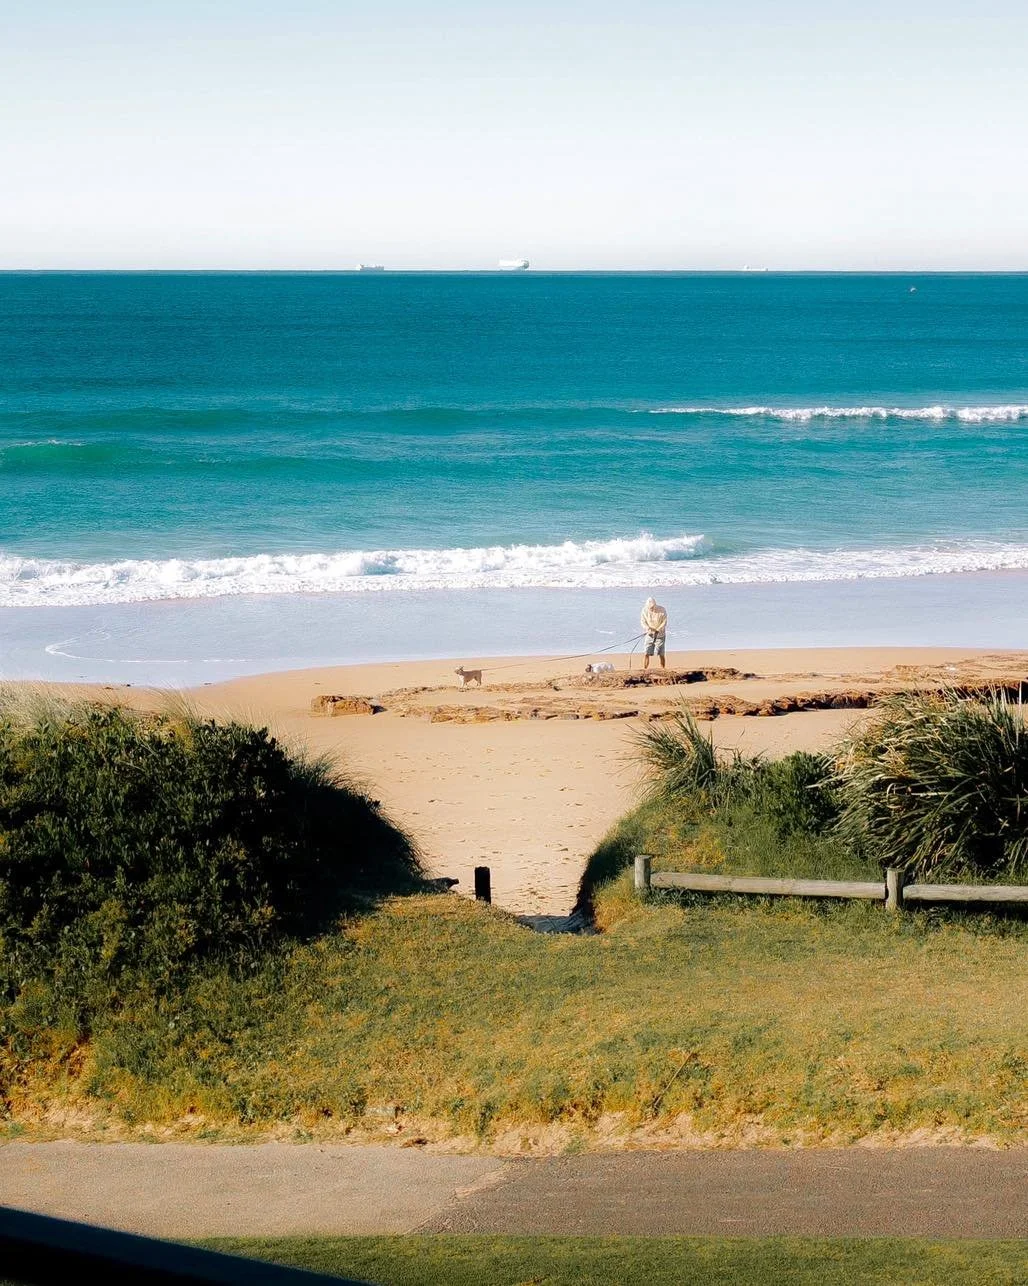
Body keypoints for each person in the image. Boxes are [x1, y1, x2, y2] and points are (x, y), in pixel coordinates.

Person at [640, 596, 668, 670]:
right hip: (649, 635)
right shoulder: (644, 610)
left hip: (660, 635)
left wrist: (658, 629)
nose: (651, 609)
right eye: (650, 608)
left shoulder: (662, 610)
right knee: (646, 653)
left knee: (661, 654)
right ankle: (645, 669)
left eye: (652, 607)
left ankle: (663, 668)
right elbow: (643, 622)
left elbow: (664, 622)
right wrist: (648, 628)